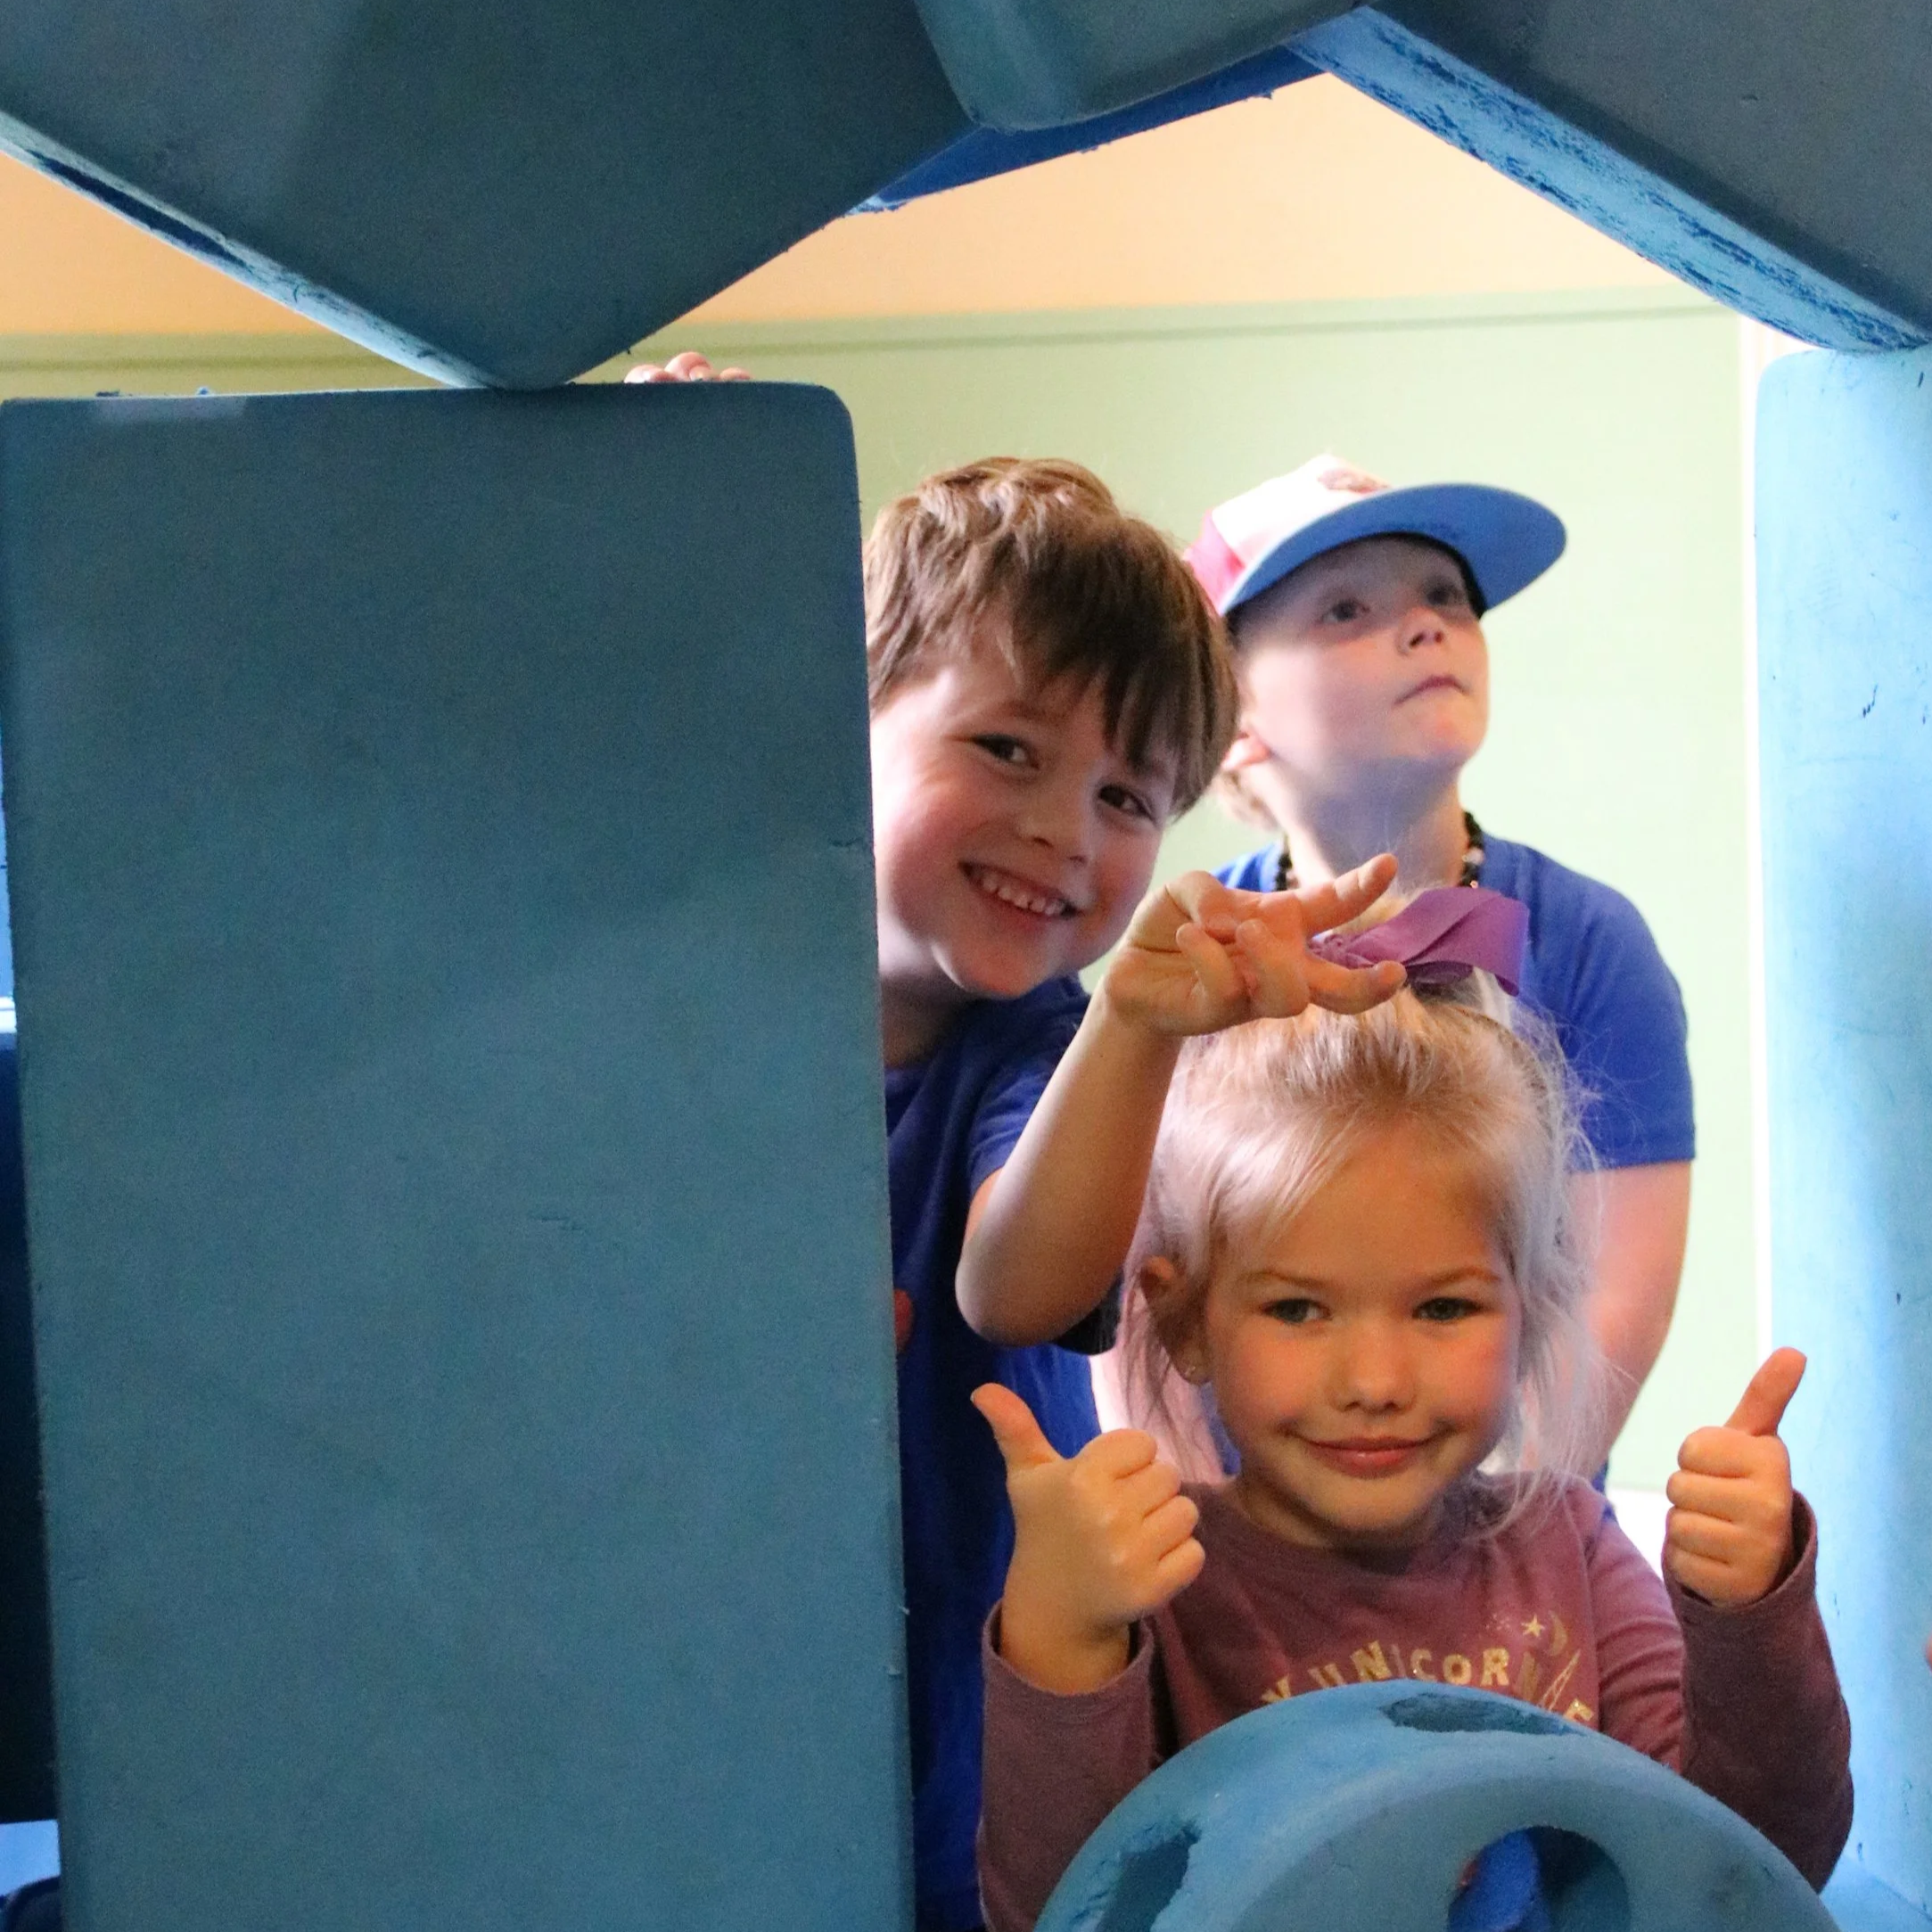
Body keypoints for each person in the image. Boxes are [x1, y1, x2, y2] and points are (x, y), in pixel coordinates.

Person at [964, 889, 1850, 1931]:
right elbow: (1058, 1912)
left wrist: (1748, 1614)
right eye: (1298, 1308)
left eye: (1442, 1307)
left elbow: (1753, 1860)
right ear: (1185, 1318)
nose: (1376, 1380)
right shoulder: (1158, 1589)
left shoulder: (1571, 1548)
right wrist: (1062, 1639)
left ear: (1530, 1310)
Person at [864, 456, 1400, 1930]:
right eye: (1007, 748)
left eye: (1124, 795)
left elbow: (1017, 1286)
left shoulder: (1043, 1056)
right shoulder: (700, 1011)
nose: (1065, 829)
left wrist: (1134, 1022)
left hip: (957, 1743)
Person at [1188, 455, 1693, 1466]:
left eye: (1445, 595)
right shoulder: (1196, 952)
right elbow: (1143, 1297)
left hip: (1516, 1527)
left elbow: (1611, 1306)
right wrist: (1204, 1528)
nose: (1427, 625)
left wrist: (1491, 1529)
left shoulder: (1591, 943)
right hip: (1242, 1536)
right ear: (1233, 717)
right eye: (1345, 608)